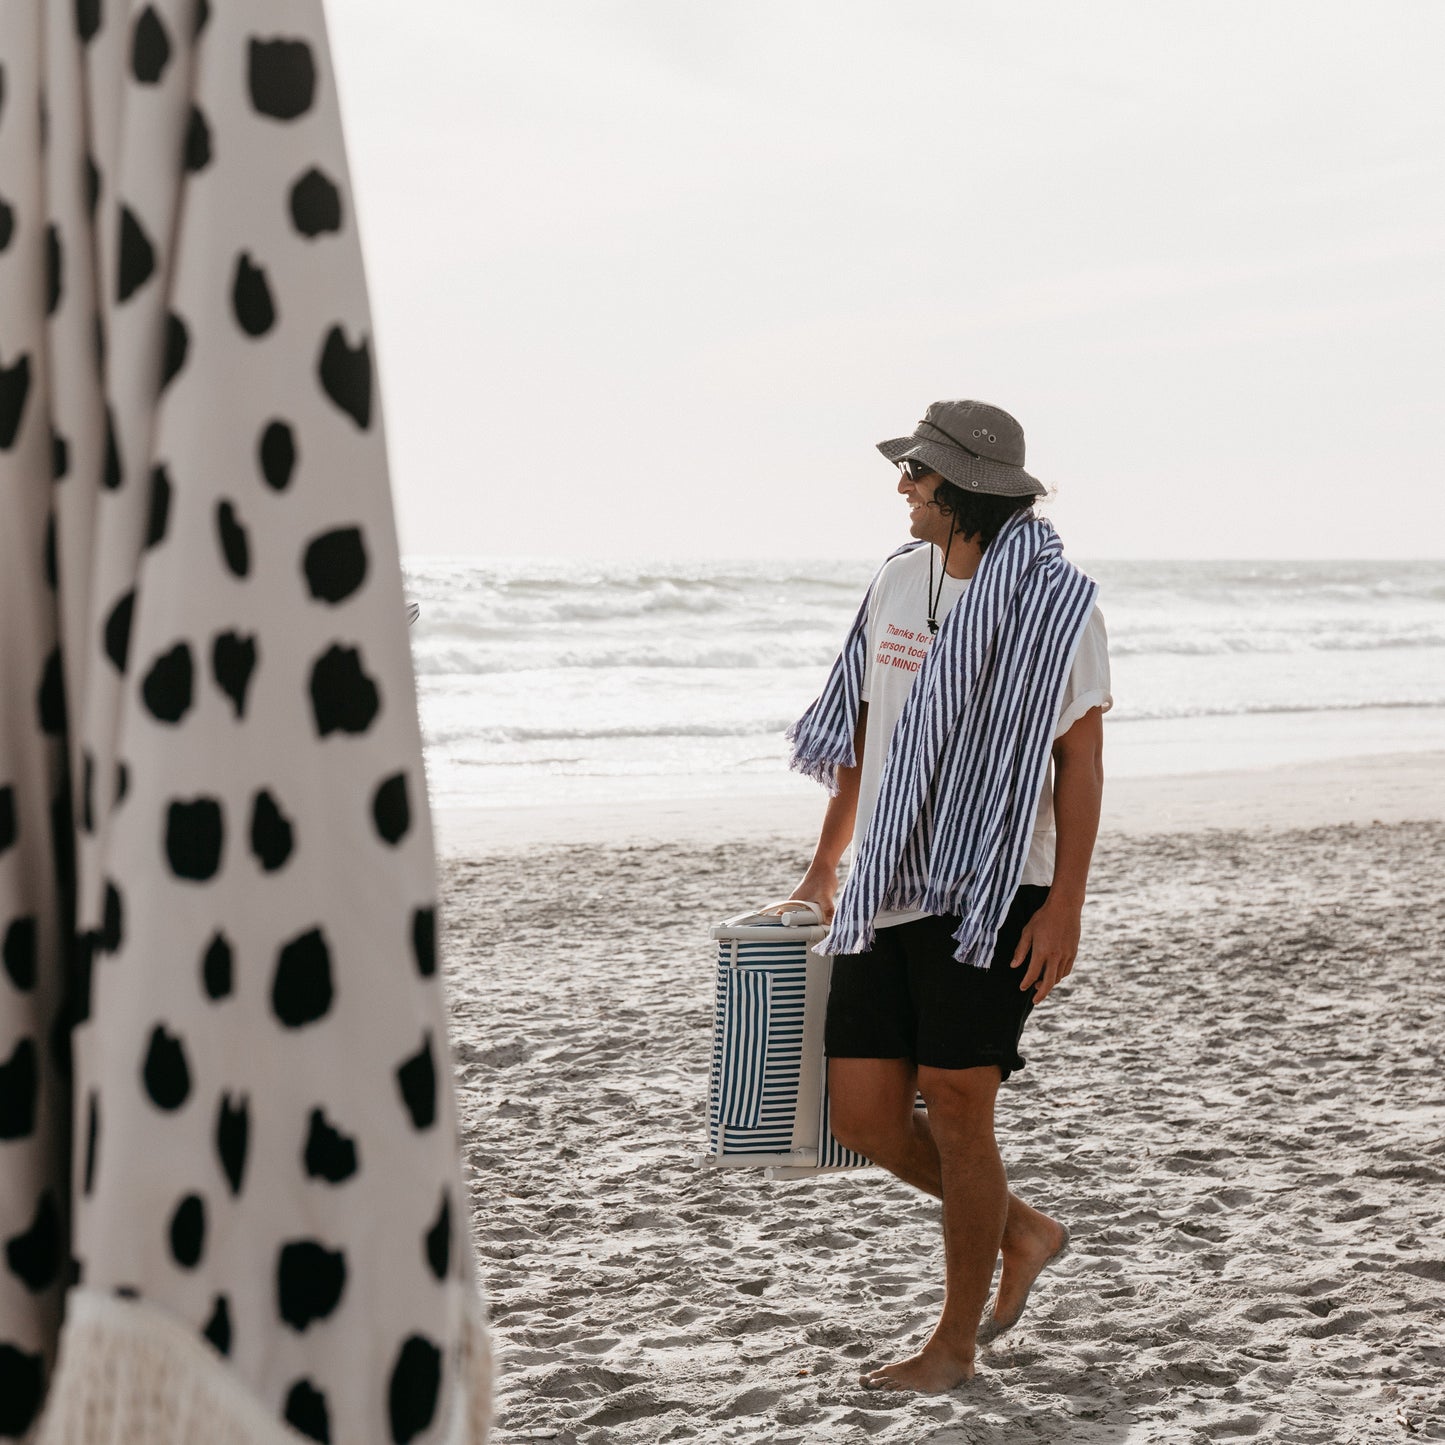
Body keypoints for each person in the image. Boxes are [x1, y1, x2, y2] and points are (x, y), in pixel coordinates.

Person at [782, 399, 1111, 1393]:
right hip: (885, 879)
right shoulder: (895, 579)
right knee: (866, 1115)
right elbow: (858, 728)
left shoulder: (1057, 607)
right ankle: (1022, 1227)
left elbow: (1080, 764)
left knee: (961, 1108)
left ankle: (952, 1344)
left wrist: (1065, 904)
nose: (902, 488)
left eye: (917, 474)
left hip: (996, 881)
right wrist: (821, 865)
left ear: (962, 485)